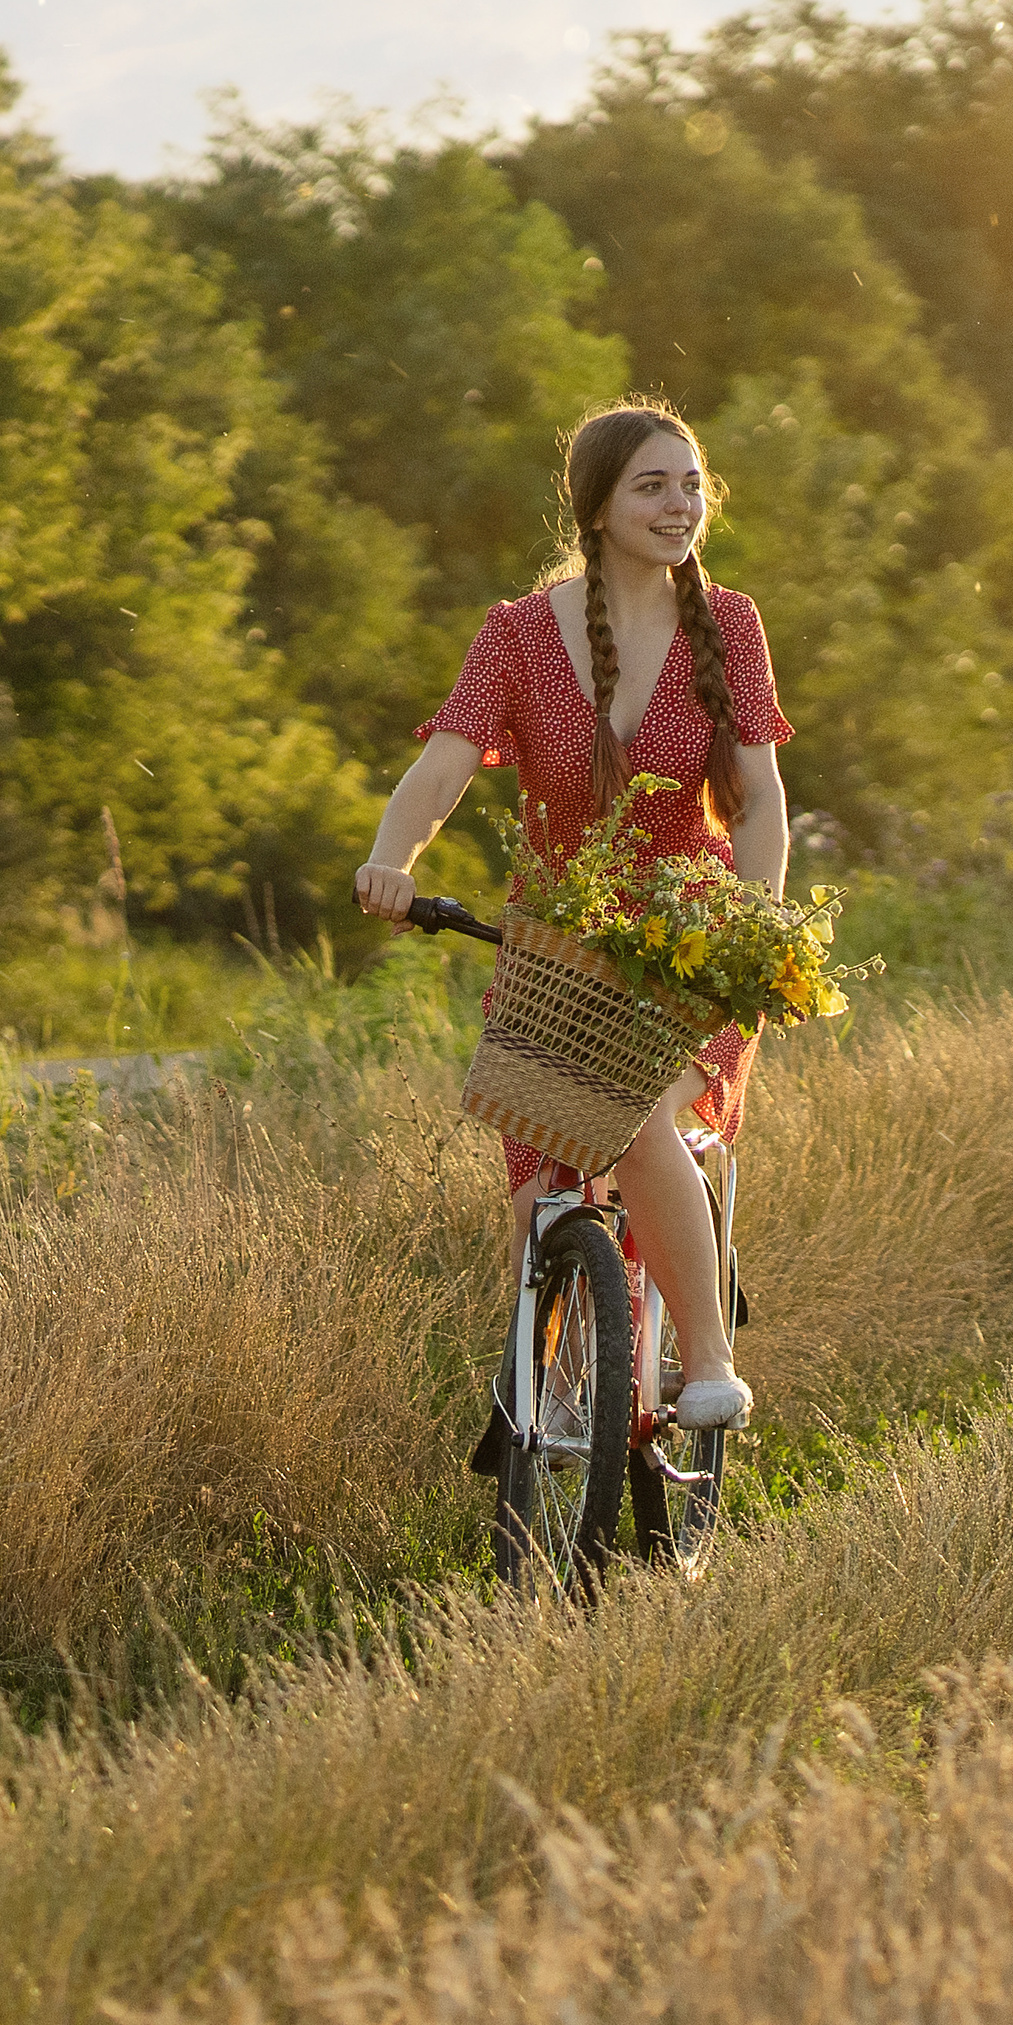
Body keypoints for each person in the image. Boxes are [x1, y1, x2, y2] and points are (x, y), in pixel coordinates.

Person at [353, 399, 792, 1430]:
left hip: (694, 948)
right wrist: (388, 858)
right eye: (652, 485)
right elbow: (444, 766)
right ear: (596, 506)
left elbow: (762, 798)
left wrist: (755, 926)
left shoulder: (727, 624)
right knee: (530, 1209)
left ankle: (710, 1367)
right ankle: (551, 1423)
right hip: (559, 951)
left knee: (632, 1119)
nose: (679, 504)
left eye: (691, 485)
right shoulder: (516, 636)